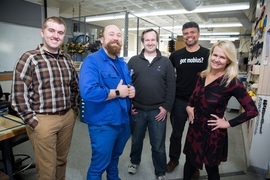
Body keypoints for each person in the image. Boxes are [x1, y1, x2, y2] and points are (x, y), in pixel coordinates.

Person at [10, 16, 79, 180]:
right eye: (52, 30)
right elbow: (18, 96)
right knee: (47, 169)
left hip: (66, 117)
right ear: (42, 33)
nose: (56, 36)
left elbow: (74, 87)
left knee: (61, 161)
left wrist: (73, 112)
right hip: (43, 120)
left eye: (60, 32)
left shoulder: (66, 59)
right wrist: (34, 122)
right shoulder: (29, 58)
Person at [183, 40, 258, 180]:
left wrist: (228, 124)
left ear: (229, 61)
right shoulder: (202, 75)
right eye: (215, 55)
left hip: (213, 132)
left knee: (211, 170)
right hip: (195, 129)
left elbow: (252, 110)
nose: (216, 60)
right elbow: (193, 98)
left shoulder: (232, 82)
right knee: (189, 164)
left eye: (222, 57)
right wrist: (188, 107)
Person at [79, 24, 135, 180]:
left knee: (115, 158)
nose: (116, 38)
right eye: (111, 34)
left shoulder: (121, 63)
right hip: (103, 124)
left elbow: (128, 84)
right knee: (98, 165)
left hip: (123, 121)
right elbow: (88, 92)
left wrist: (131, 90)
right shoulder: (92, 61)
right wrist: (117, 92)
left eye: (118, 35)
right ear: (102, 39)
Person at [127, 28, 176, 180]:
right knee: (136, 141)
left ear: (157, 41)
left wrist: (166, 107)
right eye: (147, 40)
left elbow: (172, 86)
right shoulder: (133, 61)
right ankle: (134, 162)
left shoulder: (166, 62)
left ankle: (160, 172)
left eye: (152, 39)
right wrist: (129, 106)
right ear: (142, 42)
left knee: (158, 145)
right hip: (138, 110)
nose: (150, 42)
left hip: (158, 111)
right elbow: (127, 85)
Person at [166, 21, 209, 179]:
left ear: (198, 34)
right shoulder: (176, 55)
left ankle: (194, 165)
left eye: (192, 32)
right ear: (183, 36)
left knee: (196, 136)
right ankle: (174, 160)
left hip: (199, 103)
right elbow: (168, 77)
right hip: (180, 100)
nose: (189, 36)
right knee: (176, 134)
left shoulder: (208, 54)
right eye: (186, 33)